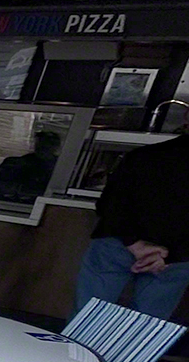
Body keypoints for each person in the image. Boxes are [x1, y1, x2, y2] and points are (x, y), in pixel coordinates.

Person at [75, 132, 189, 319]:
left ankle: (79, 339)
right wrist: (170, 256)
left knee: (88, 315)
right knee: (146, 324)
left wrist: (135, 244)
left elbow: (108, 204)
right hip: (176, 258)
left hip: (116, 243)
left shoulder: (144, 155)